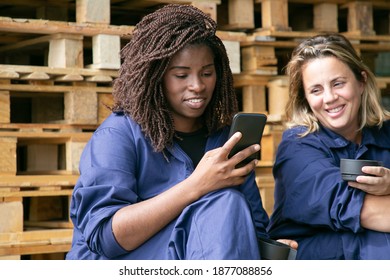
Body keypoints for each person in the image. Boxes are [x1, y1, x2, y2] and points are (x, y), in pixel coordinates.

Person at [66, 4, 296, 260]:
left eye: (207, 73)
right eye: (181, 75)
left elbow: (247, 226)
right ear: (157, 77)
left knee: (229, 206)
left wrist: (264, 247)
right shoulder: (118, 135)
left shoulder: (224, 141)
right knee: (225, 202)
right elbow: (105, 238)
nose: (197, 85)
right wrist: (197, 185)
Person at [267, 33, 390, 259]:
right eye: (316, 90)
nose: (330, 97)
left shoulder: (385, 132)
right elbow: (361, 210)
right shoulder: (297, 146)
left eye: (338, 83)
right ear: (305, 98)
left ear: (361, 81)